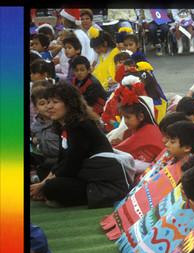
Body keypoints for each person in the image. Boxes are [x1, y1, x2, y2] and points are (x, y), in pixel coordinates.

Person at [29, 81, 133, 209]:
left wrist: (43, 185)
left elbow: (70, 166)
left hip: (101, 180)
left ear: (69, 105)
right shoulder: (66, 126)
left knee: (52, 186)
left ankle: (52, 194)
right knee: (44, 168)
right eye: (48, 102)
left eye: (55, 102)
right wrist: (45, 182)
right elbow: (62, 161)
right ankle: (51, 193)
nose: (49, 106)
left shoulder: (80, 127)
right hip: (85, 172)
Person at [111, 84, 165, 174]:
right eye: (124, 117)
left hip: (156, 165)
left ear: (140, 116)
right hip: (153, 162)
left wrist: (111, 149)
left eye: (128, 117)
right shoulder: (141, 127)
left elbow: (127, 146)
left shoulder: (147, 130)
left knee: (125, 163)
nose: (125, 121)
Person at [30, 81, 60, 183]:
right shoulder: (37, 124)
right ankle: (34, 173)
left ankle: (37, 177)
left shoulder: (59, 122)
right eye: (42, 104)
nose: (47, 106)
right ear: (36, 109)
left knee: (44, 168)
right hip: (46, 158)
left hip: (60, 160)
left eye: (50, 102)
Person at [89, 27, 121, 91]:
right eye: (95, 49)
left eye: (98, 48)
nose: (97, 51)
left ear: (105, 43)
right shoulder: (102, 54)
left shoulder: (116, 52)